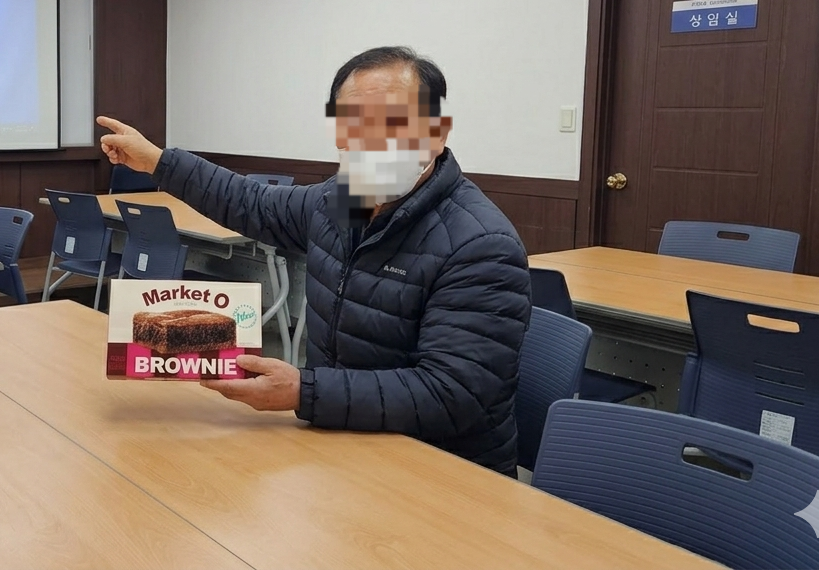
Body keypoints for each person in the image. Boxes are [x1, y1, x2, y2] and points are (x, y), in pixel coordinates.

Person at [98, 46, 531, 475]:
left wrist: (304, 391)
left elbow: (451, 394)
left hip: (444, 474)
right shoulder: (341, 200)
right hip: (344, 443)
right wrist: (158, 162)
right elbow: (250, 202)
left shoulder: (481, 245)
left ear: (436, 133)